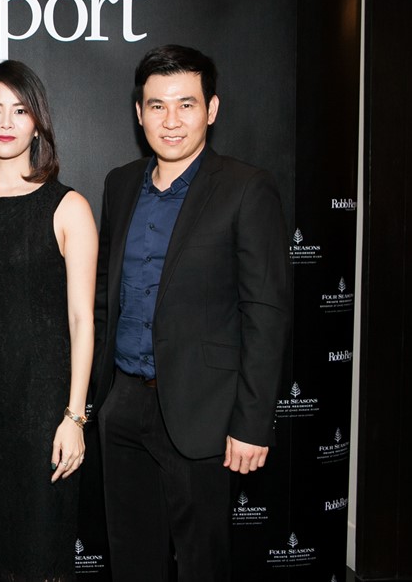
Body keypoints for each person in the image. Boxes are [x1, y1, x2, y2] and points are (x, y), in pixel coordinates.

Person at [91, 44, 292, 581]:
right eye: (157, 106)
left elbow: (265, 312)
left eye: (186, 104)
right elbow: (107, 295)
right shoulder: (119, 183)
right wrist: (98, 398)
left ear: (212, 109)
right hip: (123, 405)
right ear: (139, 113)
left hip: (205, 411)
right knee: (132, 562)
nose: (171, 120)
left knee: (203, 565)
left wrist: (252, 423)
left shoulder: (246, 188)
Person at [0, 60, 98, 581]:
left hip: (43, 409)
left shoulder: (68, 207)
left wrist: (74, 418)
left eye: (20, 110)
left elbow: (82, 320)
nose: (6, 122)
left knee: (41, 556)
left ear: (38, 123)